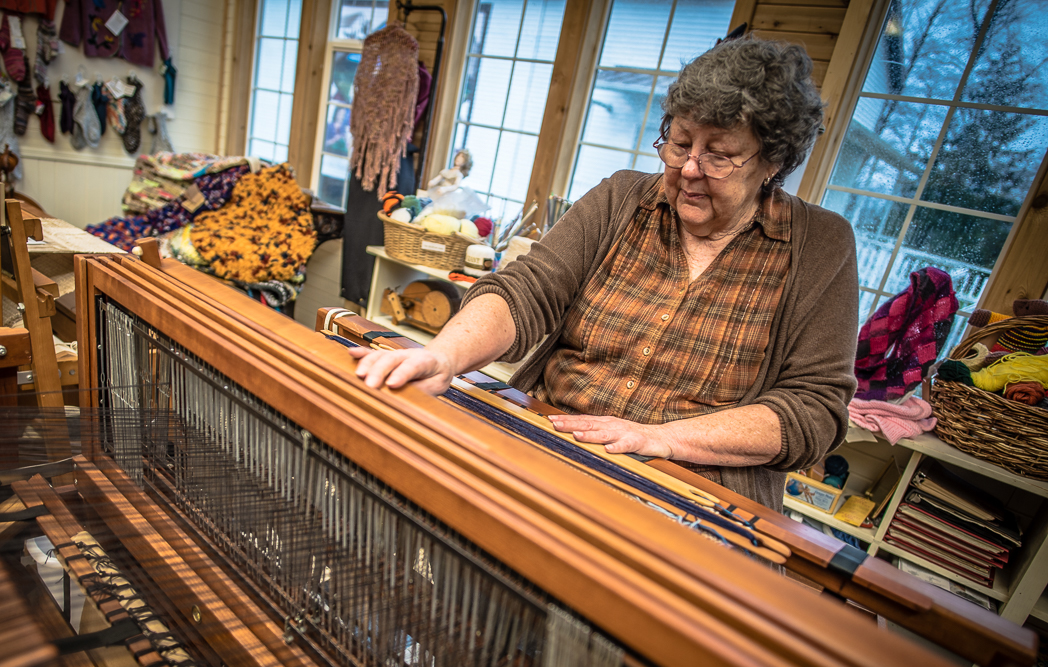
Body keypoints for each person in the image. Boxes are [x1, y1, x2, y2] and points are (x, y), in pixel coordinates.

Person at [353, 36, 858, 511]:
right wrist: (444, 356)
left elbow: (814, 410)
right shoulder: (621, 198)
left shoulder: (821, 247)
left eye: (719, 156)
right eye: (680, 144)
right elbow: (526, 290)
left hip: (684, 489)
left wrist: (658, 438)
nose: (688, 169)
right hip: (549, 444)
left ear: (773, 161)